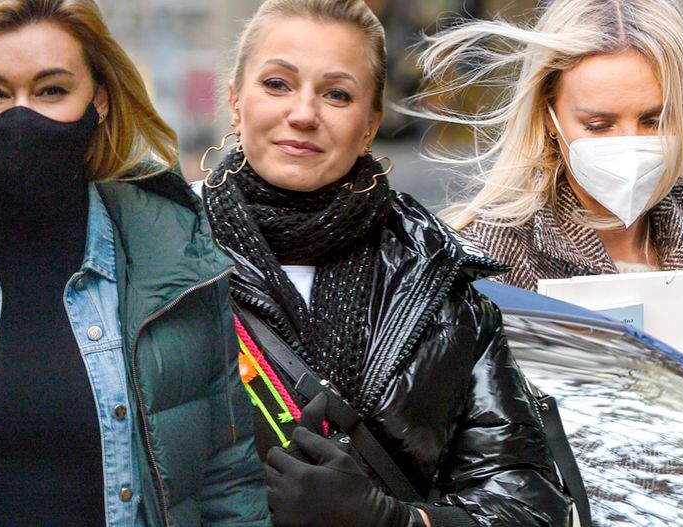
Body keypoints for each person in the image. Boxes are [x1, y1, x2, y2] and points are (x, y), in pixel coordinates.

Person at [0, 1, 269, 525]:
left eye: (52, 90)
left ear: (99, 100)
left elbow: (226, 482)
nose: (22, 116)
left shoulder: (173, 262)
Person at [198, 1, 572, 526]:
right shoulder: (163, 255)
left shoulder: (440, 286)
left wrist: (391, 520)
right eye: (277, 84)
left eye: (337, 94)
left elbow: (530, 507)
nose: (303, 114)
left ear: (371, 124)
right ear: (236, 102)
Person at [414, 0, 683, 401]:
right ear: (549, 117)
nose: (629, 144)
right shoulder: (487, 261)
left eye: (653, 120)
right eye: (599, 125)